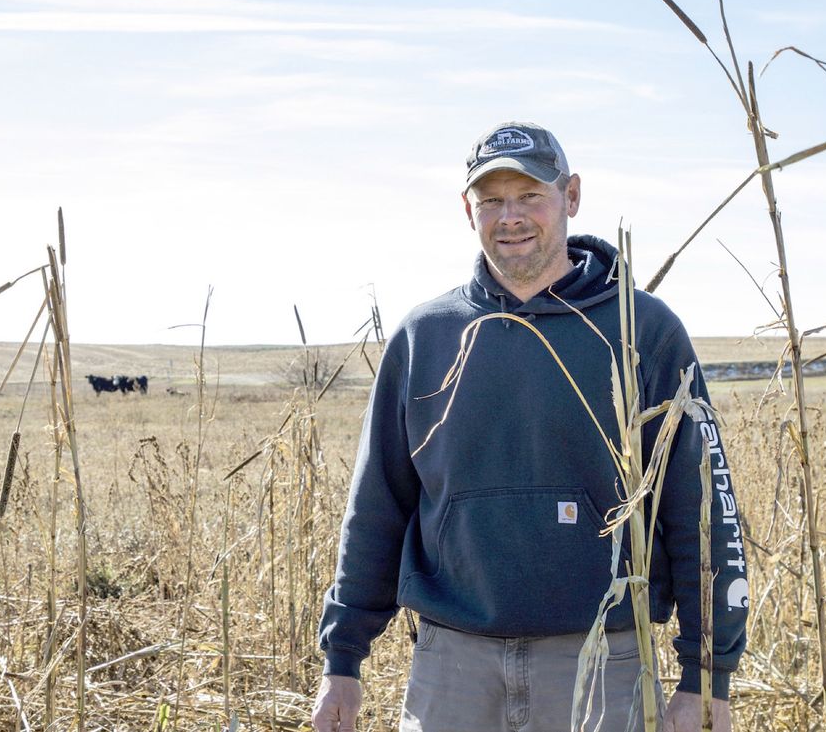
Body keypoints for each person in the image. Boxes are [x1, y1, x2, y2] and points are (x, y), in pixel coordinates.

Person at [311, 121, 748, 732]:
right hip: (451, 667)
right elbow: (376, 507)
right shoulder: (425, 338)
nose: (510, 216)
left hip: (603, 661)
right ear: (469, 211)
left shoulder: (641, 331)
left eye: (530, 196)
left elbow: (701, 509)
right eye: (491, 200)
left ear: (570, 196)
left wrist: (708, 677)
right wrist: (343, 660)